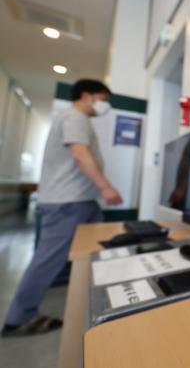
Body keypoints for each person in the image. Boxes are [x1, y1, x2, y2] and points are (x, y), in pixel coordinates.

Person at [2, 79, 122, 337]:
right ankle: (18, 318)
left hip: (81, 201)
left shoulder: (77, 119)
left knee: (91, 254)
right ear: (87, 96)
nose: (106, 105)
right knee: (48, 259)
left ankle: (94, 302)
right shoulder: (74, 117)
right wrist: (106, 187)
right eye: (103, 99)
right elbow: (80, 154)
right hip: (68, 203)